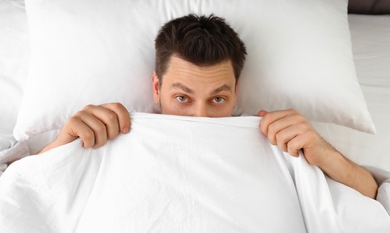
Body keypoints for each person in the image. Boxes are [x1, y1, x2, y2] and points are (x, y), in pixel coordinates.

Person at [39, 14, 378, 199]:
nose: (200, 117)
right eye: (182, 98)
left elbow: (373, 197)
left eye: (217, 99)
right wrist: (62, 143)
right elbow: (17, 193)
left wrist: (322, 151)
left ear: (236, 91)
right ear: (156, 87)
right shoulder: (112, 132)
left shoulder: (276, 140)